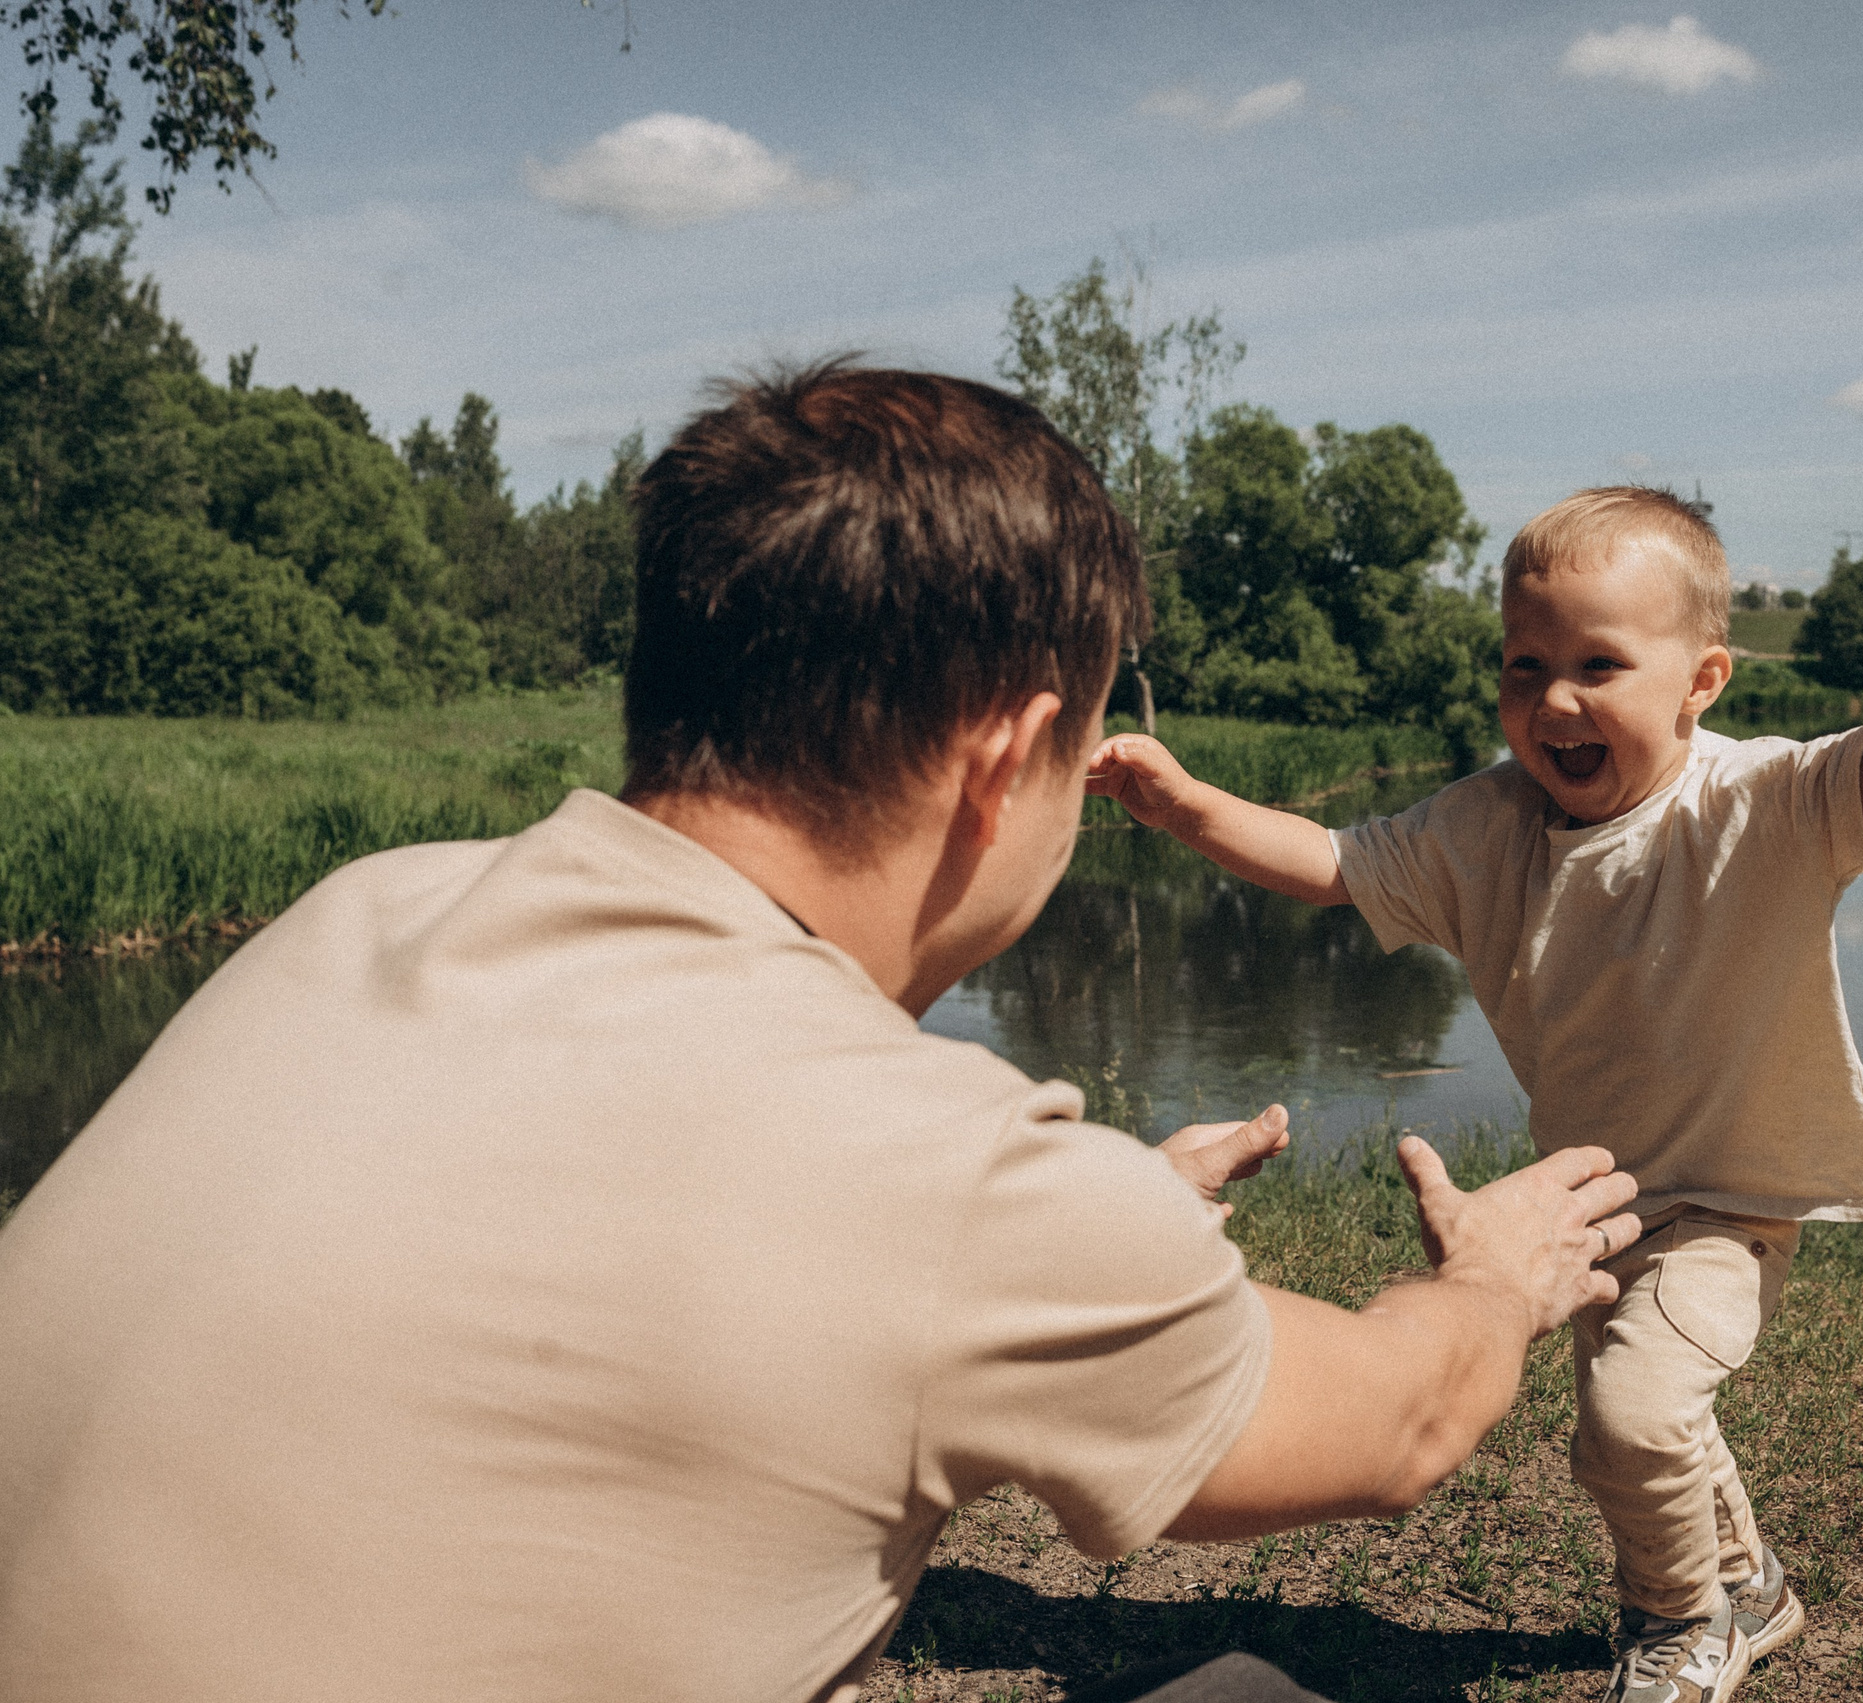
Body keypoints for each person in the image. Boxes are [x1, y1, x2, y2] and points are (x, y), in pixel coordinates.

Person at [0, 361, 1645, 1703]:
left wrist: (1064, 1252)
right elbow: (1401, 1424)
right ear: (1010, 761)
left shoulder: (362, 907)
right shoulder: (942, 1188)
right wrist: (1488, 1280)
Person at [1087, 410, 1863, 1703]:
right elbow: (1332, 868)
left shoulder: (1756, 805)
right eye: (1524, 667)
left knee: (1633, 1422)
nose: (1556, 701)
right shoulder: (1485, 824)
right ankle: (1749, 1584)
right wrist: (1186, 802)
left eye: (1600, 664)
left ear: (1704, 681)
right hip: (1587, 1201)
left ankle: (1681, 1623)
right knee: (1648, 1427)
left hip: (1729, 1197)